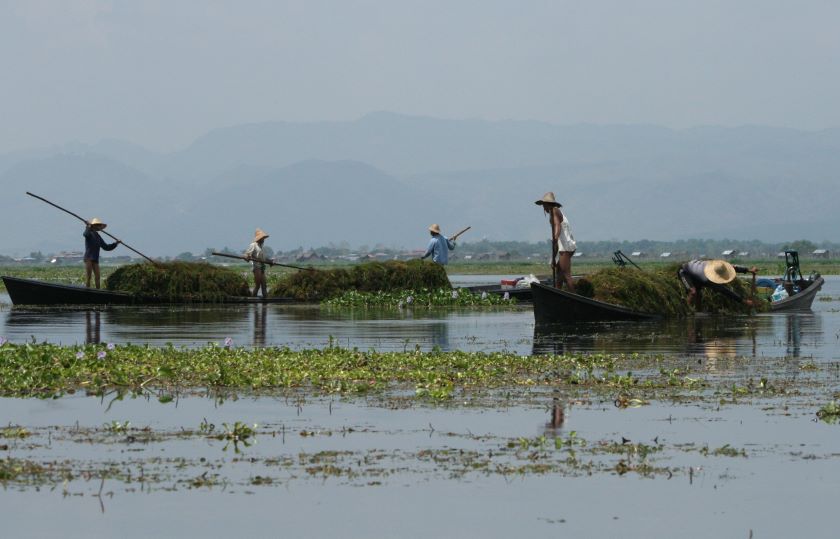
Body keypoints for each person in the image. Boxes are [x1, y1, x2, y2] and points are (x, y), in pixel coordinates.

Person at [678, 259, 758, 310]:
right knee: (693, 292)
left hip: (696, 272)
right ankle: (686, 311)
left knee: (699, 294)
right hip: (685, 271)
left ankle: (698, 312)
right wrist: (744, 301)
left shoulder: (717, 266)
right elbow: (726, 291)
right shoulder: (707, 278)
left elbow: (733, 267)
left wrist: (749, 270)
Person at [535, 192, 576, 292]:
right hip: (562, 246)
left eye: (544, 204)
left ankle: (576, 298)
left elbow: (557, 226)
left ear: (548, 204)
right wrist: (553, 258)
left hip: (565, 246)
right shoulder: (554, 212)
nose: (543, 207)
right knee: (559, 274)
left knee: (566, 275)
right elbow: (556, 240)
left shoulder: (554, 211)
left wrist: (555, 237)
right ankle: (558, 294)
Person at [83, 218, 120, 289]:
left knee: (97, 277)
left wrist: (116, 243)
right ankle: (87, 291)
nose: (99, 227)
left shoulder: (98, 236)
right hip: (88, 258)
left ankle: (98, 291)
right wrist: (88, 227)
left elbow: (106, 247)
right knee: (89, 277)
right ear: (94, 226)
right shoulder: (89, 233)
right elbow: (85, 234)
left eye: (100, 226)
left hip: (95, 259)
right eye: (98, 225)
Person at [245, 228, 270, 298]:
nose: (264, 239)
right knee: (258, 285)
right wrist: (247, 257)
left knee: (264, 285)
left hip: (262, 268)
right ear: (260, 238)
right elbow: (247, 255)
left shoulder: (261, 246)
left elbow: (264, 259)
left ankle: (265, 302)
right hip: (256, 268)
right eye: (263, 238)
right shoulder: (253, 245)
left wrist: (270, 261)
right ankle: (253, 299)